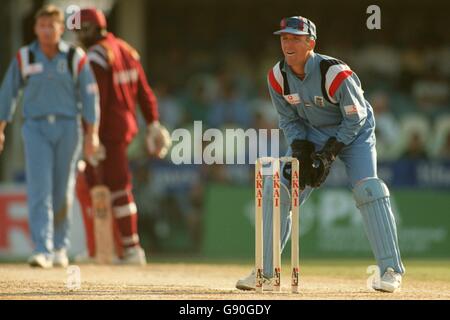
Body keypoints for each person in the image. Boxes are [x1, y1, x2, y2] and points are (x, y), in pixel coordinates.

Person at [236, 16, 405, 292]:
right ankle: (265, 272)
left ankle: (390, 271)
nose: (288, 43)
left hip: (354, 133)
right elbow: (288, 119)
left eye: (295, 39)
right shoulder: (277, 77)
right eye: (284, 38)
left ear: (310, 43)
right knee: (276, 185)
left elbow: (356, 117)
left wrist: (330, 153)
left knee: (369, 190)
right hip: (312, 133)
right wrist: (301, 149)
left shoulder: (335, 72)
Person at [0, 5, 100, 268]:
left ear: (60, 28)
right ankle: (42, 248)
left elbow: (90, 96)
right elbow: (7, 93)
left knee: (62, 189)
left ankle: (59, 246)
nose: (46, 31)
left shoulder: (74, 57)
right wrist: (0, 128)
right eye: (41, 25)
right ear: (35, 28)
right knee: (39, 188)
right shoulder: (25, 57)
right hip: (35, 128)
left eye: (51, 25)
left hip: (68, 127)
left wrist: (93, 134)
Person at [73, 8, 171, 265]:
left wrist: (91, 135)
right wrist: (152, 123)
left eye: (79, 28)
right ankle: (109, 248)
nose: (77, 35)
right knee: (108, 188)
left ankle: (128, 249)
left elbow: (96, 102)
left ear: (89, 28)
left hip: (106, 132)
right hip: (123, 129)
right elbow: (145, 92)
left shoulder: (97, 56)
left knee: (112, 188)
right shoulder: (126, 50)